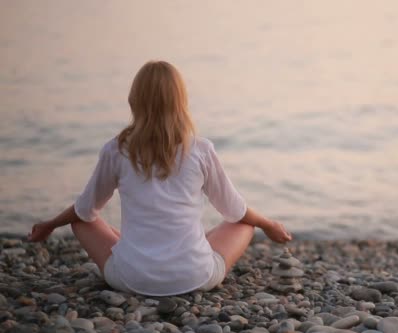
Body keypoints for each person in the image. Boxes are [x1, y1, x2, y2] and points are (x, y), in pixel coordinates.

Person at [27, 60, 292, 296]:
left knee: (83, 221)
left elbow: (85, 211)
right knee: (244, 223)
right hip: (196, 276)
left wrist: (50, 224)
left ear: (134, 100)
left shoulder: (117, 150)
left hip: (129, 278)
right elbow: (236, 211)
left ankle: (136, 251)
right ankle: (185, 254)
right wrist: (268, 225)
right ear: (181, 102)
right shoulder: (201, 150)